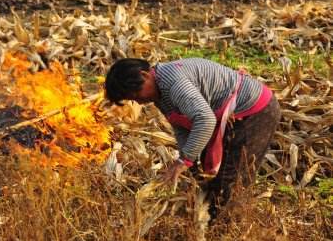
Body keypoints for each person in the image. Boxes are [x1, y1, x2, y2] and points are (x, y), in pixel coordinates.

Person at [104, 57, 280, 217]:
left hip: (256, 111)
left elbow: (205, 119)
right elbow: (181, 127)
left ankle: (226, 233)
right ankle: (210, 220)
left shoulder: (173, 83)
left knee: (231, 182)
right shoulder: (159, 92)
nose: (138, 102)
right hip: (230, 117)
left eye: (136, 94)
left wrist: (184, 160)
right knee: (209, 176)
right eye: (131, 99)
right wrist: (189, 165)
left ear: (145, 75)